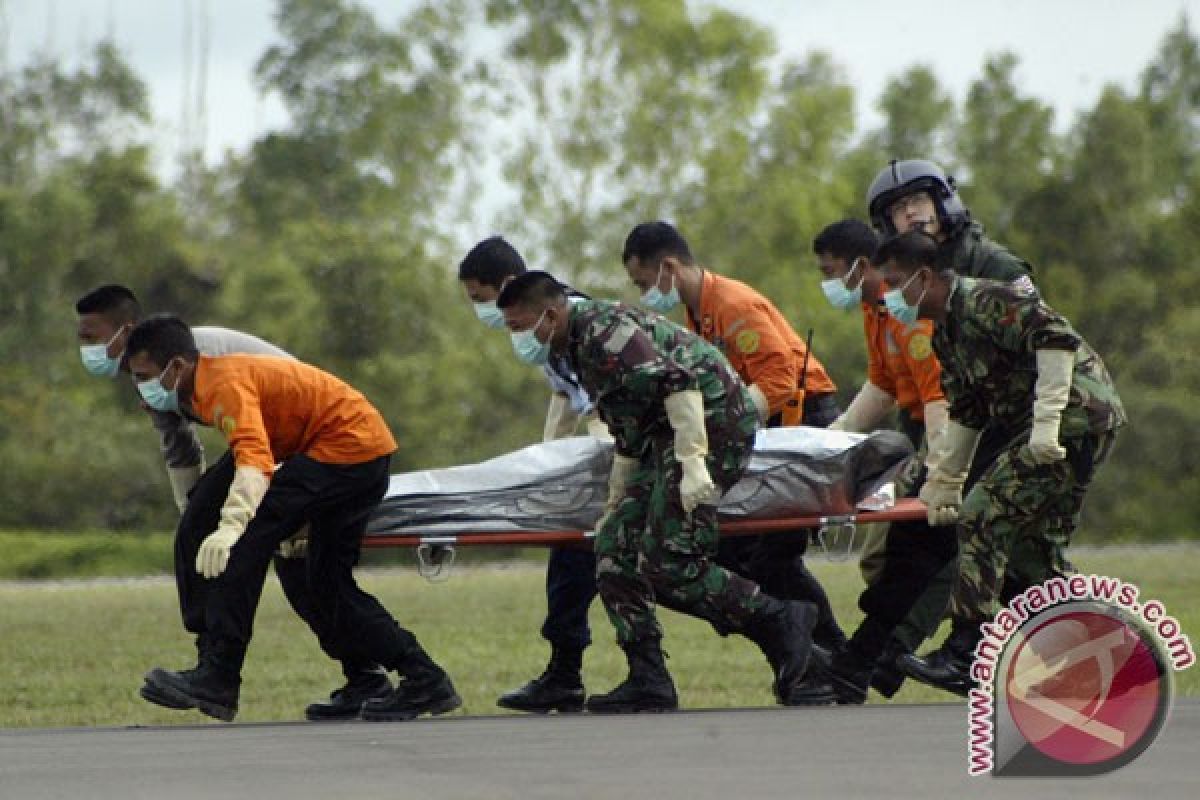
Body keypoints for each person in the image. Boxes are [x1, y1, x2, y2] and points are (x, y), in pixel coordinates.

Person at [497, 272, 824, 712]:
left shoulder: (604, 333)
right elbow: (627, 423)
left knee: (669, 562)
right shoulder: (573, 345)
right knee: (613, 548)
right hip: (662, 438)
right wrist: (617, 499)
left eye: (520, 327)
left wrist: (692, 464)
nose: (517, 339)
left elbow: (679, 384)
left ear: (550, 314)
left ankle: (780, 619)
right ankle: (649, 678)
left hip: (712, 425)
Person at [75, 285, 390, 720]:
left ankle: (357, 675)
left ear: (124, 332)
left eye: (91, 338)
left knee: (289, 568)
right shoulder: (150, 372)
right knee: (200, 533)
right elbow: (179, 447)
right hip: (262, 446)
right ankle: (214, 667)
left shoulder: (191, 360)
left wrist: (263, 511)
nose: (85, 349)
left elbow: (288, 407)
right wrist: (198, 520)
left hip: (303, 441)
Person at [128, 314, 459, 722]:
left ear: (177, 366)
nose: (138, 387)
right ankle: (397, 679)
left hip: (350, 450)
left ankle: (219, 676)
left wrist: (232, 526)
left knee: (247, 545)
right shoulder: (194, 386)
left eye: (142, 375)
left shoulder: (222, 384)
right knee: (310, 576)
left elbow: (255, 460)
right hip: (337, 448)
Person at [875, 232, 1126, 696]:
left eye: (893, 282)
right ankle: (1119, 643)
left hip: (1074, 419)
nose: (887, 295)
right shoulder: (944, 332)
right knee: (1033, 556)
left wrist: (1047, 424)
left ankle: (968, 652)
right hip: (1049, 428)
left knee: (983, 515)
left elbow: (1056, 337)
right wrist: (945, 481)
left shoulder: (986, 300)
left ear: (924, 277)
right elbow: (968, 410)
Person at [866, 159, 1054, 688]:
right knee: (1018, 561)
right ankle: (1125, 653)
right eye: (898, 209)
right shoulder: (911, 284)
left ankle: (960, 652)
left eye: (918, 201)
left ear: (943, 200)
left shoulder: (993, 264)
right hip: (978, 426)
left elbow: (1044, 344)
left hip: (1022, 422)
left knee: (986, 534)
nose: (911, 213)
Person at [621, 221, 846, 653]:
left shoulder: (731, 304)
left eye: (644, 283)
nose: (646, 294)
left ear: (669, 267)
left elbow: (779, 378)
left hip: (799, 417)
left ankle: (834, 653)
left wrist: (726, 427)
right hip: (763, 424)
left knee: (770, 557)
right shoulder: (699, 309)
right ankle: (814, 653)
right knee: (741, 552)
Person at [808, 219, 959, 701]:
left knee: (924, 548)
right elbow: (884, 387)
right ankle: (877, 655)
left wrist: (940, 473)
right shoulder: (876, 311)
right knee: (898, 553)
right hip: (927, 431)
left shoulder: (906, 310)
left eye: (832, 271)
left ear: (861, 265)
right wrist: (830, 441)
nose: (829, 282)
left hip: (952, 432)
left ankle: (872, 656)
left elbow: (938, 396)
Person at [458, 236, 607, 714]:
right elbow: (566, 395)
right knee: (571, 558)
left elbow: (605, 401)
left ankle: (797, 634)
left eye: (482, 299)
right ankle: (565, 673)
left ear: (508, 287)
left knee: (606, 564)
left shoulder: (574, 321)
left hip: (632, 451)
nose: (484, 314)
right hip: (601, 454)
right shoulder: (539, 327)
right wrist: (550, 461)